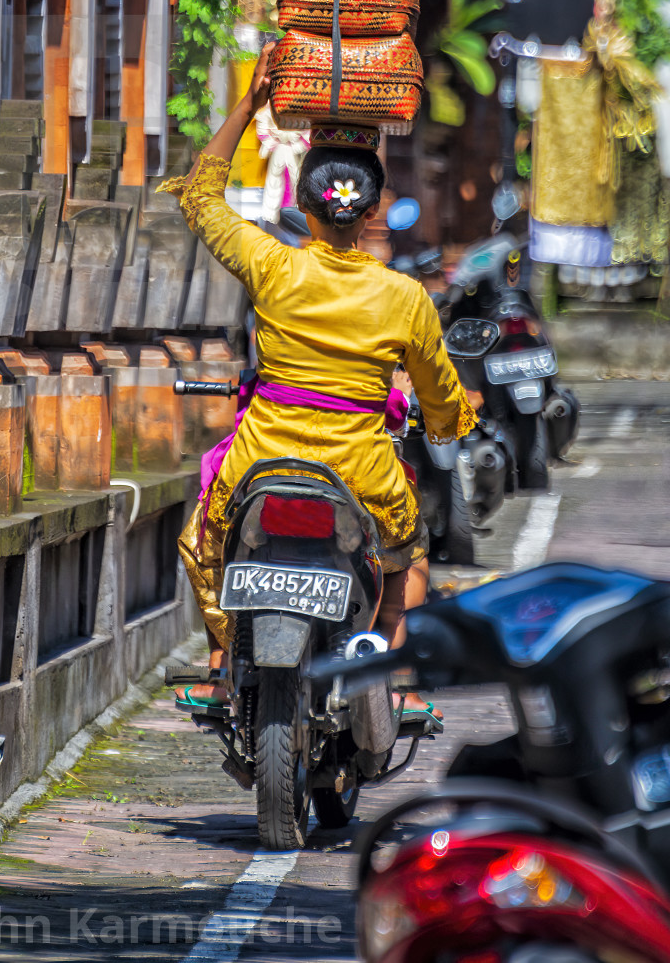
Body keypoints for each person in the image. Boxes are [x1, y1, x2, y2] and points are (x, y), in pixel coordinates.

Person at [164, 42, 477, 722]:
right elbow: (442, 397)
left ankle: (224, 666)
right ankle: (395, 685)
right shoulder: (405, 297)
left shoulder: (272, 264)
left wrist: (249, 105)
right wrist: (454, 424)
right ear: (371, 213)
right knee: (411, 551)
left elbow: (200, 199)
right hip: (361, 471)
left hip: (262, 459)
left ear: (304, 203)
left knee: (206, 538)